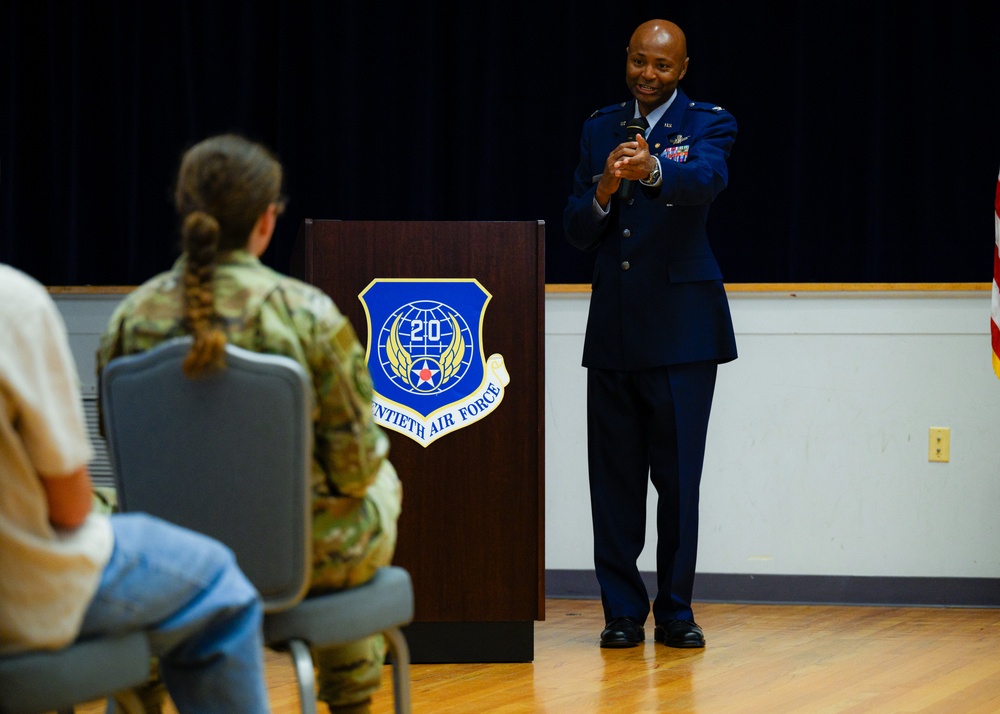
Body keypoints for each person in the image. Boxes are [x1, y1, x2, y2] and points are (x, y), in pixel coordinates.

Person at [95, 133, 403, 714]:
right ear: (267, 220)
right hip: (303, 564)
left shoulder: (128, 321)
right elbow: (355, 467)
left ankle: (146, 685)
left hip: (168, 565)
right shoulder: (307, 315)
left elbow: (123, 456)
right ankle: (350, 697)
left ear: (187, 211)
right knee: (376, 486)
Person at [0, 263, 271, 713]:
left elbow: (113, 434)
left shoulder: (131, 315)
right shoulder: (14, 303)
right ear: (265, 221)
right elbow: (69, 507)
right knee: (217, 586)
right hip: (19, 593)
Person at [563, 19, 737, 649]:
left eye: (662, 66)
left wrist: (654, 171)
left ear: (682, 70)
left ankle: (677, 611)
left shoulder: (708, 122)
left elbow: (707, 180)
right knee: (612, 481)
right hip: (613, 329)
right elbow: (578, 228)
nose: (648, 75)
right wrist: (606, 189)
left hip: (683, 334)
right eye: (639, 62)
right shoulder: (598, 126)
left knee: (678, 479)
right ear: (627, 60)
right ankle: (620, 611)